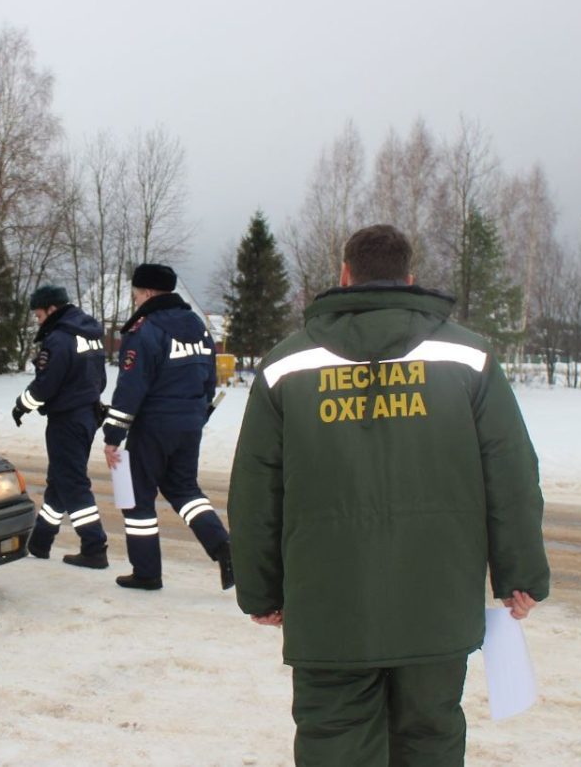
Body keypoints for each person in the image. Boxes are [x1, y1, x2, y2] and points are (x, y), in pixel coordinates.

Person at [228, 224, 550, 766]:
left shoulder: (286, 365)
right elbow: (511, 473)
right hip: (438, 604)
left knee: (334, 741)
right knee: (429, 740)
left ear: (345, 275)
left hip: (329, 609)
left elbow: (257, 486)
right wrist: (521, 574)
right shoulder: (470, 358)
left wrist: (261, 589)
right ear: (410, 278)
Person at [102, 263, 233, 591]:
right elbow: (208, 378)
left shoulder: (146, 330)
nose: (134, 300)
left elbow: (131, 388)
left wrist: (113, 436)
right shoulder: (197, 326)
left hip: (154, 426)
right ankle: (225, 549)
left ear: (146, 292)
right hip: (190, 423)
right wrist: (198, 416)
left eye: (135, 294)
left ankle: (146, 573)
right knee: (185, 490)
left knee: (136, 497)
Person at [12, 285, 110, 569]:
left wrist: (22, 404)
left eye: (39, 314)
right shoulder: (90, 334)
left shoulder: (59, 339)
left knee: (73, 483)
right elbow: (99, 379)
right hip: (88, 415)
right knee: (60, 480)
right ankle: (40, 542)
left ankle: (94, 546)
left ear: (52, 309)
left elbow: (45, 386)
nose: (38, 320)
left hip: (67, 419)